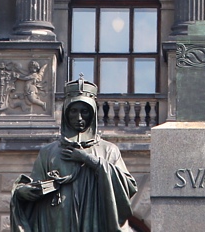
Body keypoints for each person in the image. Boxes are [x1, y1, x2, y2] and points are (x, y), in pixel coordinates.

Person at [10, 77, 137, 232]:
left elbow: (128, 186)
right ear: (65, 113)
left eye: (85, 112)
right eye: (73, 111)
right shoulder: (49, 152)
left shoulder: (108, 150)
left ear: (93, 114)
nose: (79, 118)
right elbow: (34, 185)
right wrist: (23, 192)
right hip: (56, 220)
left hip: (94, 221)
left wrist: (89, 160)